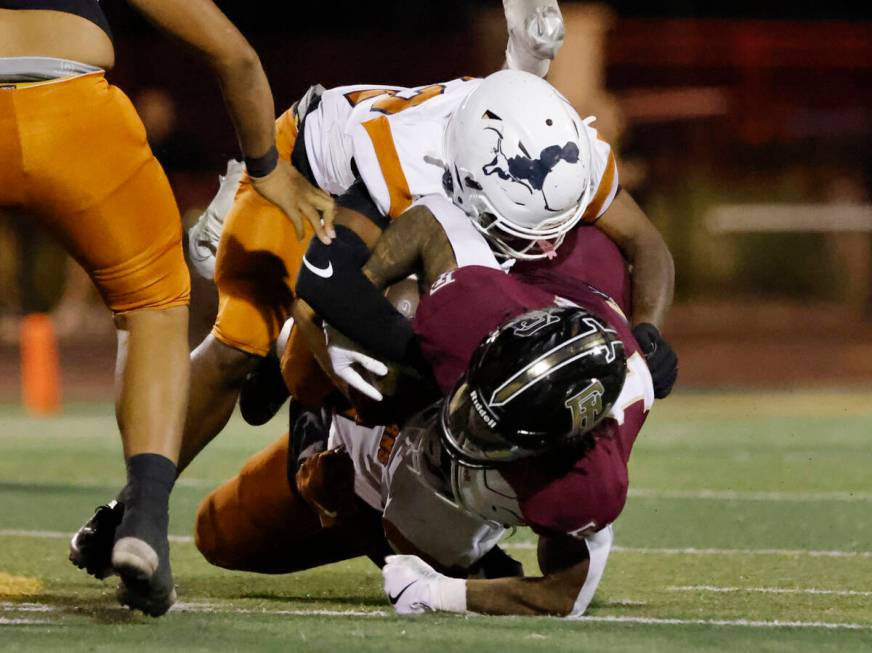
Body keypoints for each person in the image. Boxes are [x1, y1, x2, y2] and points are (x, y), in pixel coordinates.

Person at [0, 0, 333, 616]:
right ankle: (145, 520)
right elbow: (231, 52)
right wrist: (266, 168)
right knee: (153, 304)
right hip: (69, 105)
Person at [193, 271, 653, 616]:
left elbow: (563, 594)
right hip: (363, 428)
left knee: (429, 542)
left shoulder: (585, 482)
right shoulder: (462, 308)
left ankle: (463, 557)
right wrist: (311, 450)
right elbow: (340, 277)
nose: (467, 428)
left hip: (422, 511)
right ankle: (283, 350)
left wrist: (438, 592)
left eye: (493, 432)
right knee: (216, 536)